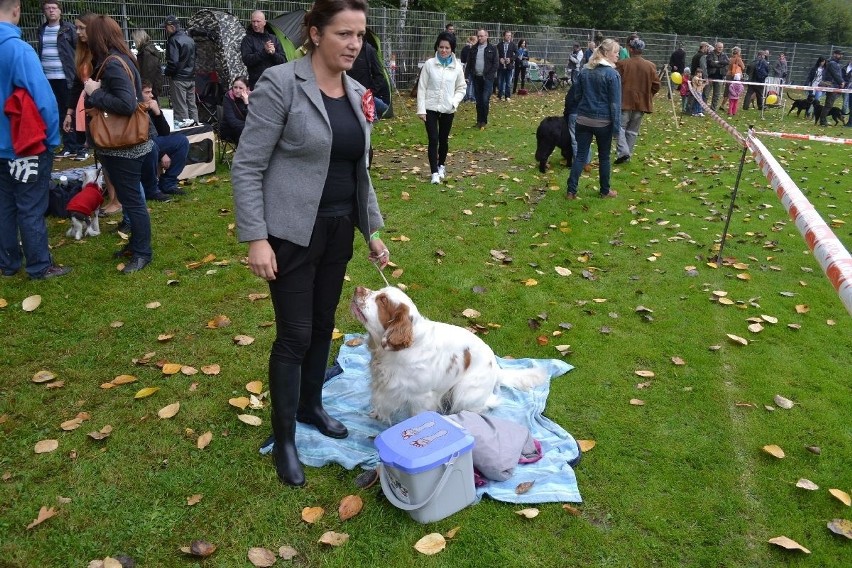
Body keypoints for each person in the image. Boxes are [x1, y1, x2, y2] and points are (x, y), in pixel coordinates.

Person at [231, 0, 389, 487]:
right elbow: (248, 164)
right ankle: (284, 440)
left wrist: (373, 230)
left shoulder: (359, 91)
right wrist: (256, 237)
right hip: (291, 233)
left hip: (340, 228)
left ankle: (311, 404)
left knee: (323, 324)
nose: (354, 44)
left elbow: (358, 170)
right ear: (315, 33)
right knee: (295, 334)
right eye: (344, 34)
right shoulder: (281, 83)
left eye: (360, 35)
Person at [0, 0, 70, 279]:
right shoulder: (18, 50)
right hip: (26, 145)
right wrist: (52, 138)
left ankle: (8, 262)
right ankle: (39, 265)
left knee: (4, 204)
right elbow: (44, 101)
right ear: (16, 9)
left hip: (4, 147)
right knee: (30, 204)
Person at [85, 15, 154, 273]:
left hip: (124, 148)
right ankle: (136, 246)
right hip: (124, 146)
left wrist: (95, 93)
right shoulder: (122, 59)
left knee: (133, 200)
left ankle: (142, 253)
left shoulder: (113, 64)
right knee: (130, 198)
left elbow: (126, 105)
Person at [565, 38, 621, 200]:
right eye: (615, 52)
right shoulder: (612, 74)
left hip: (583, 119)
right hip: (603, 122)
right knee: (604, 157)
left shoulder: (584, 71)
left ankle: (571, 191)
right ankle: (605, 190)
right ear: (606, 53)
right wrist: (616, 129)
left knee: (581, 155)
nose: (618, 55)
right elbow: (615, 104)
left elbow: (576, 95)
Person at [417, 31, 466, 185]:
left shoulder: (457, 67)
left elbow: (461, 88)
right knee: (433, 139)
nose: (444, 50)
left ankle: (441, 165)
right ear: (437, 47)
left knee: (443, 139)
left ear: (452, 49)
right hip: (430, 107)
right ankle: (434, 173)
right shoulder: (429, 64)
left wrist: (454, 102)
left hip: (447, 108)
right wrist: (421, 109)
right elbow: (422, 87)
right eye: (441, 47)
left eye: (447, 48)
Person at [37, 1, 80, 159]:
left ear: (60, 11)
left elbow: (79, 49)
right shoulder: (41, 30)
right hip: (48, 78)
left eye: (54, 8)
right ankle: (66, 144)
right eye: (48, 9)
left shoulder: (69, 29)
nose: (51, 11)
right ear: (44, 12)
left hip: (65, 77)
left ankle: (75, 144)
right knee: (56, 111)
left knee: (68, 110)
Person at [140, 80, 189, 199]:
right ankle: (151, 189)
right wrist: (162, 154)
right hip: (141, 143)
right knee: (151, 147)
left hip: (155, 141)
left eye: (151, 92)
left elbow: (165, 132)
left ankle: (168, 182)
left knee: (182, 141)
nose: (151, 95)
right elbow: (144, 137)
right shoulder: (134, 108)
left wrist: (157, 113)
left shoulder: (151, 105)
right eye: (147, 92)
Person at [614, 38, 659, 165]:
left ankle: (623, 152)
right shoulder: (651, 66)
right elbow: (656, 85)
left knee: (619, 128)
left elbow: (615, 83)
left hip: (624, 102)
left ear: (630, 49)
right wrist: (647, 95)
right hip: (641, 104)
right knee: (632, 131)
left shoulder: (622, 64)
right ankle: (627, 155)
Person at [162, 14, 197, 128]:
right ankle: (197, 127)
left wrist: (166, 72)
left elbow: (173, 62)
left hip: (179, 79)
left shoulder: (173, 40)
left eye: (166, 27)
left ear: (172, 26)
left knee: (180, 106)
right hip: (191, 77)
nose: (165, 30)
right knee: (192, 105)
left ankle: (186, 132)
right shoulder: (190, 39)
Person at [240, 10, 285, 90]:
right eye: (253, 21)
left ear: (264, 22)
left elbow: (283, 61)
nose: (255, 24)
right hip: (256, 82)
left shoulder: (274, 39)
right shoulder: (247, 39)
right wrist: (264, 52)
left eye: (258, 21)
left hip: (273, 82)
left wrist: (273, 54)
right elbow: (247, 60)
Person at [467, 28, 497, 129]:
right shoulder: (473, 49)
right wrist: (466, 76)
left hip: (487, 79)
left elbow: (495, 64)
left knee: (485, 100)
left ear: (486, 36)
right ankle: (479, 121)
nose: (479, 38)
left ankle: (484, 121)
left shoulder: (492, 49)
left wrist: (490, 75)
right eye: (478, 36)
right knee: (478, 101)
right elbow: (469, 63)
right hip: (476, 77)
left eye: (481, 36)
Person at [132, 29, 162, 99]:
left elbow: (148, 73)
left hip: (149, 88)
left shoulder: (146, 52)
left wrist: (144, 87)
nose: (134, 41)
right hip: (152, 87)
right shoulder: (149, 50)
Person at [818, 49, 844, 127]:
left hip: (832, 85)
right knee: (828, 104)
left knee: (828, 104)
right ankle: (822, 121)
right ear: (835, 54)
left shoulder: (833, 63)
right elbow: (835, 74)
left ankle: (823, 120)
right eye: (840, 54)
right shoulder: (833, 63)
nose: (841, 56)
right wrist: (841, 82)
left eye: (841, 54)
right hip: (832, 85)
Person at [221, 75, 250, 144]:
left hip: (246, 128)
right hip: (229, 129)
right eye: (235, 87)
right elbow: (232, 121)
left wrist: (246, 103)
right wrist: (250, 126)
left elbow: (252, 118)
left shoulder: (251, 98)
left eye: (241, 88)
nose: (237, 90)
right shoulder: (228, 97)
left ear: (247, 89)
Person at [706, 42, 729, 110]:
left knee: (717, 95)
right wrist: (721, 64)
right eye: (719, 47)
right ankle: (702, 108)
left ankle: (713, 109)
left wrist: (718, 62)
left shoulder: (724, 55)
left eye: (721, 47)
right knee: (706, 93)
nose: (720, 49)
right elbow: (710, 63)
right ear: (715, 47)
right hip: (710, 76)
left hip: (720, 77)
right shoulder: (710, 54)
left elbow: (727, 62)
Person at [720, 46, 744, 111]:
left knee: (727, 90)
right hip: (735, 76)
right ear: (738, 52)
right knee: (734, 91)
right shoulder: (738, 59)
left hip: (728, 75)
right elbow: (743, 67)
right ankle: (731, 107)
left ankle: (722, 105)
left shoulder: (730, 58)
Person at [496, 30, 516, 101]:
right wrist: (499, 59)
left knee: (508, 82)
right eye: (507, 35)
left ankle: (507, 96)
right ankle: (499, 96)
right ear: (504, 36)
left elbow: (517, 54)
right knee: (500, 82)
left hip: (509, 66)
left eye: (510, 35)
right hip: (501, 66)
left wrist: (510, 59)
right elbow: (495, 55)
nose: (508, 37)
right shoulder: (499, 45)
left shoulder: (513, 45)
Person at [459, 34, 476, 102]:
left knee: (468, 83)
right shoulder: (472, 48)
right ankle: (470, 97)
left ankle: (467, 97)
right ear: (472, 41)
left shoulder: (465, 48)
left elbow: (462, 59)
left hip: (467, 67)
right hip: (470, 67)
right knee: (470, 82)